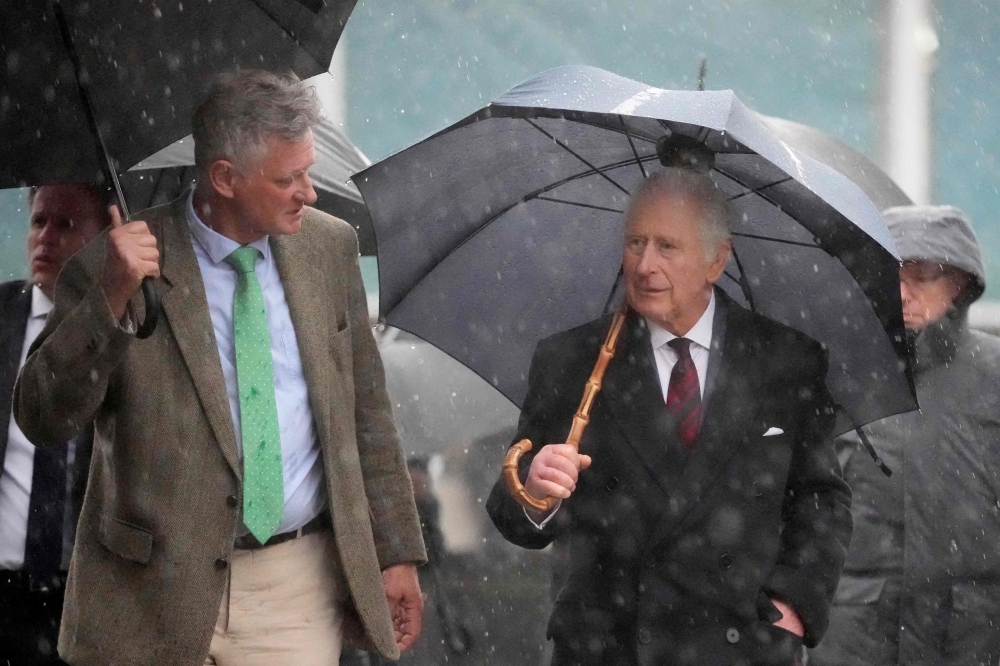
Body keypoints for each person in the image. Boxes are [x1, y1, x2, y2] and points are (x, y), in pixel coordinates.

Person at [12, 70, 426, 666]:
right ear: (225, 178)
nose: (308, 193)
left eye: (307, 172)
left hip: (294, 589)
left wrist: (396, 552)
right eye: (289, 178)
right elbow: (43, 415)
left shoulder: (330, 248)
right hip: (147, 595)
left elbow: (367, 411)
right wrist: (109, 300)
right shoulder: (112, 262)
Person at [487, 168, 852, 666]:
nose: (644, 265)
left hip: (739, 646)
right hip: (609, 646)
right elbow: (514, 515)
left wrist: (794, 605)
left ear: (716, 259)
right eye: (635, 242)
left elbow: (820, 498)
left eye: (667, 247)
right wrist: (535, 489)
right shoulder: (574, 360)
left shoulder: (786, 360)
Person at [809, 205, 1000, 666]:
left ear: (958, 285)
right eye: (891, 274)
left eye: (922, 276)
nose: (902, 292)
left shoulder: (994, 375)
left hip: (973, 635)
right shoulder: (830, 373)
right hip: (856, 636)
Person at [0, 183, 107, 665]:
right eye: (40, 221)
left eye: (65, 225)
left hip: (84, 597)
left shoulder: (126, 331)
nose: (45, 238)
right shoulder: (3, 316)